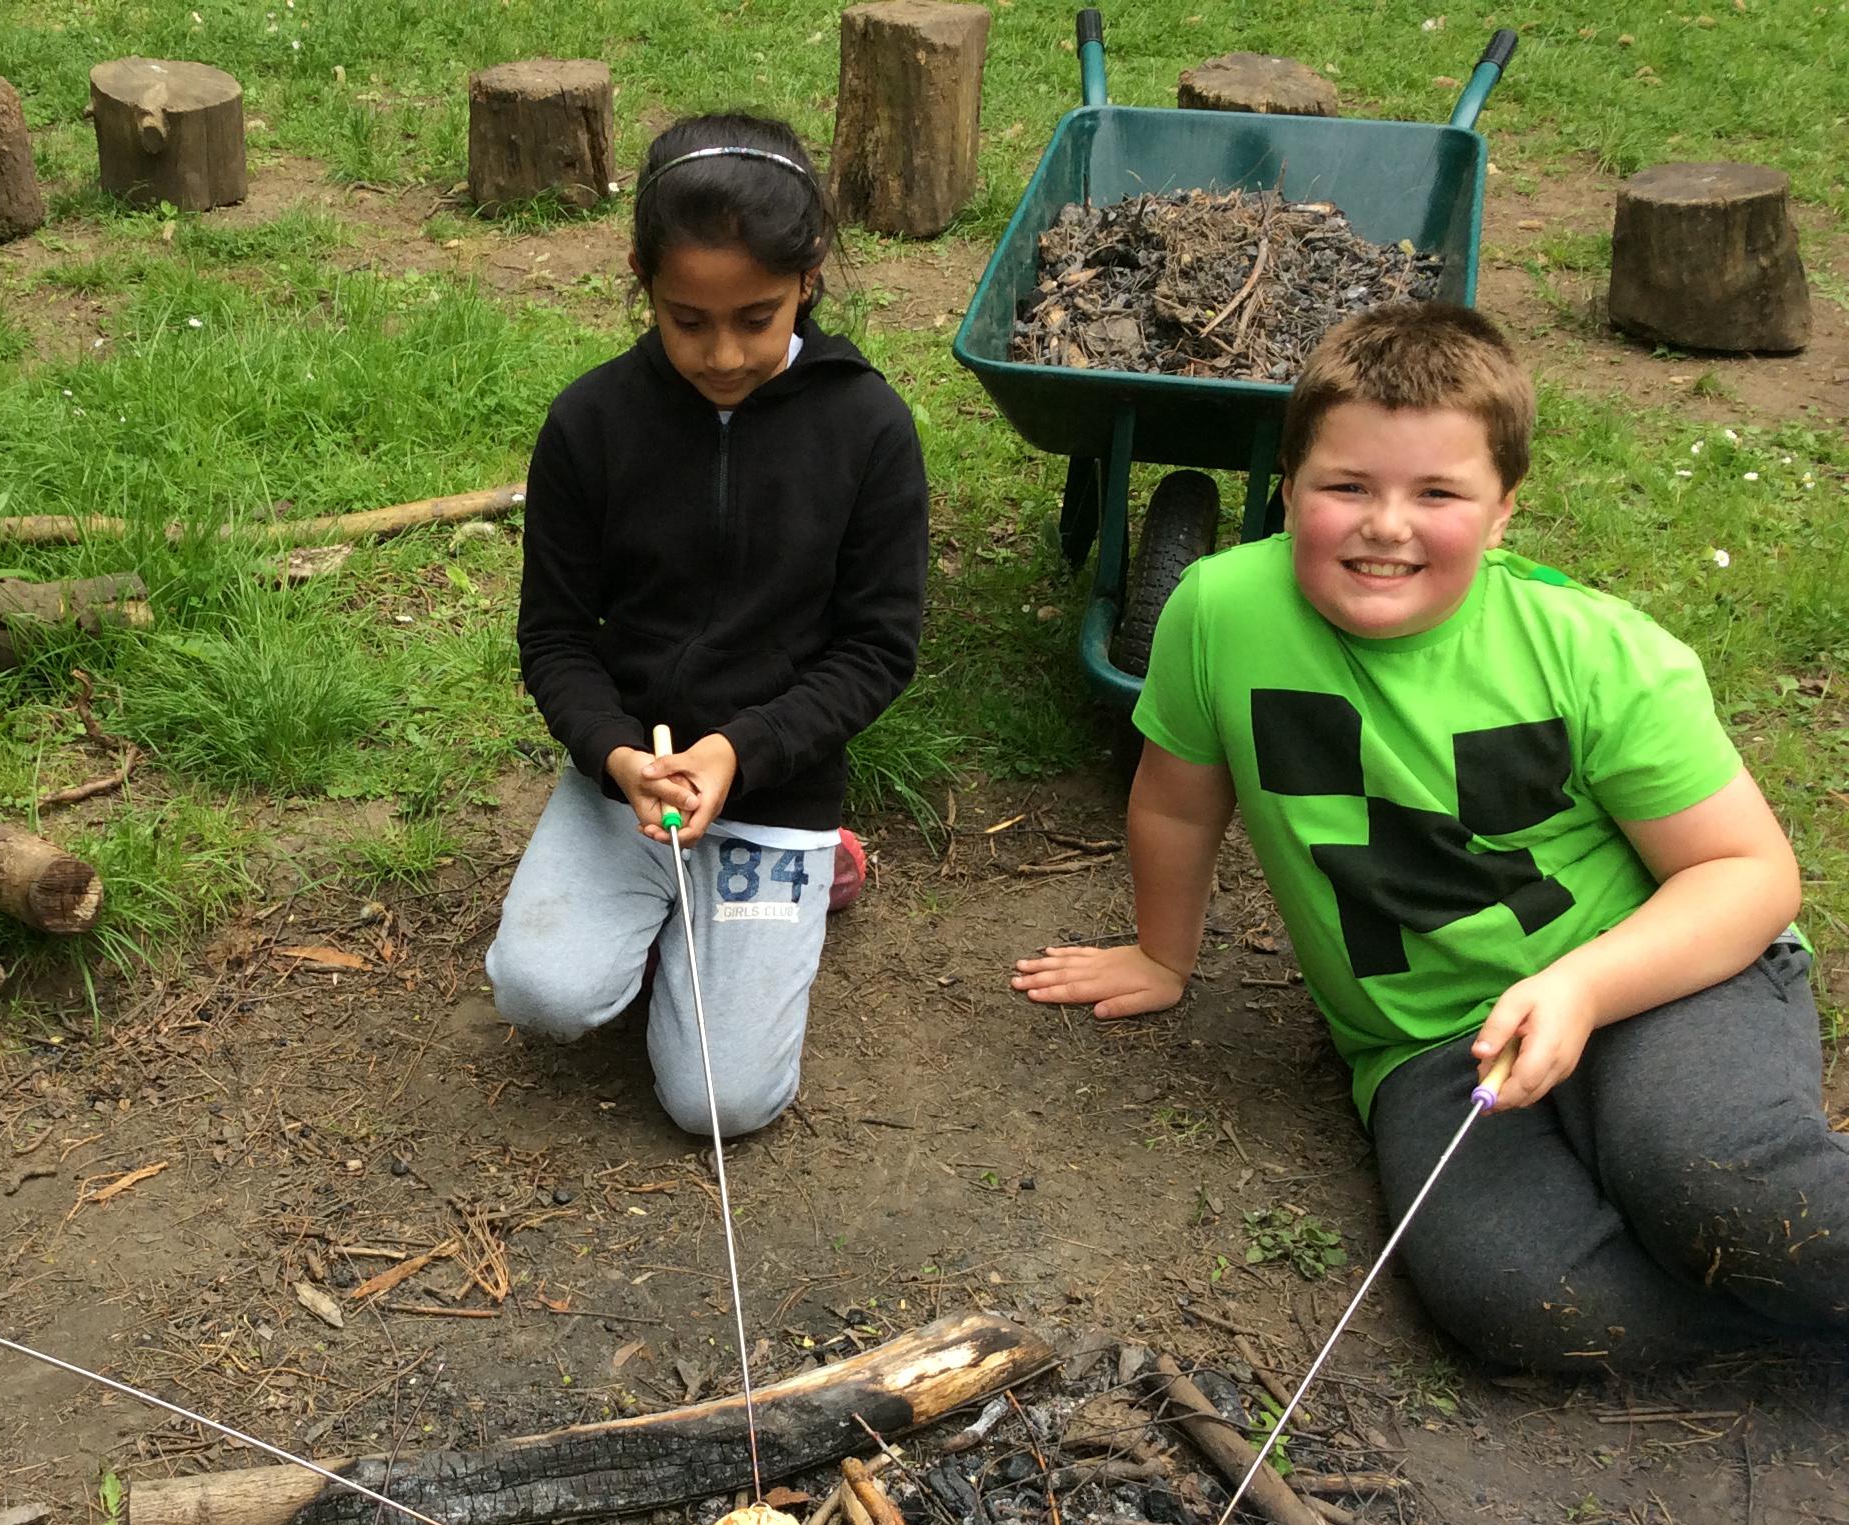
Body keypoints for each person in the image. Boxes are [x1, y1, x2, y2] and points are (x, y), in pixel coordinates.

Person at [1012, 302, 1846, 1373]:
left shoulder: (1595, 653)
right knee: (1515, 1294)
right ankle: (1770, 1293)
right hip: (1431, 1043)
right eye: (1347, 486)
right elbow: (1177, 801)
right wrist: (1161, 954)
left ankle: (1747, 1234)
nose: (1387, 525)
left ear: (1503, 512)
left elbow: (1749, 871)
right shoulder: (1218, 613)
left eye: (1438, 494)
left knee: (1717, 1185)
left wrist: (1583, 988)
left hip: (1659, 975)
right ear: (1287, 487)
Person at [485, 112, 928, 1137]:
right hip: (630, 785)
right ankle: (656, 917)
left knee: (721, 1104)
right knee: (540, 992)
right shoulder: (590, 424)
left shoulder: (867, 428)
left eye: (755, 318)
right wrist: (618, 757)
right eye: (688, 321)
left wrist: (741, 750)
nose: (723, 353)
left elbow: (877, 650)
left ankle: (818, 870)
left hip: (775, 786)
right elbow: (555, 638)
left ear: (809, 277)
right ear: (642, 280)